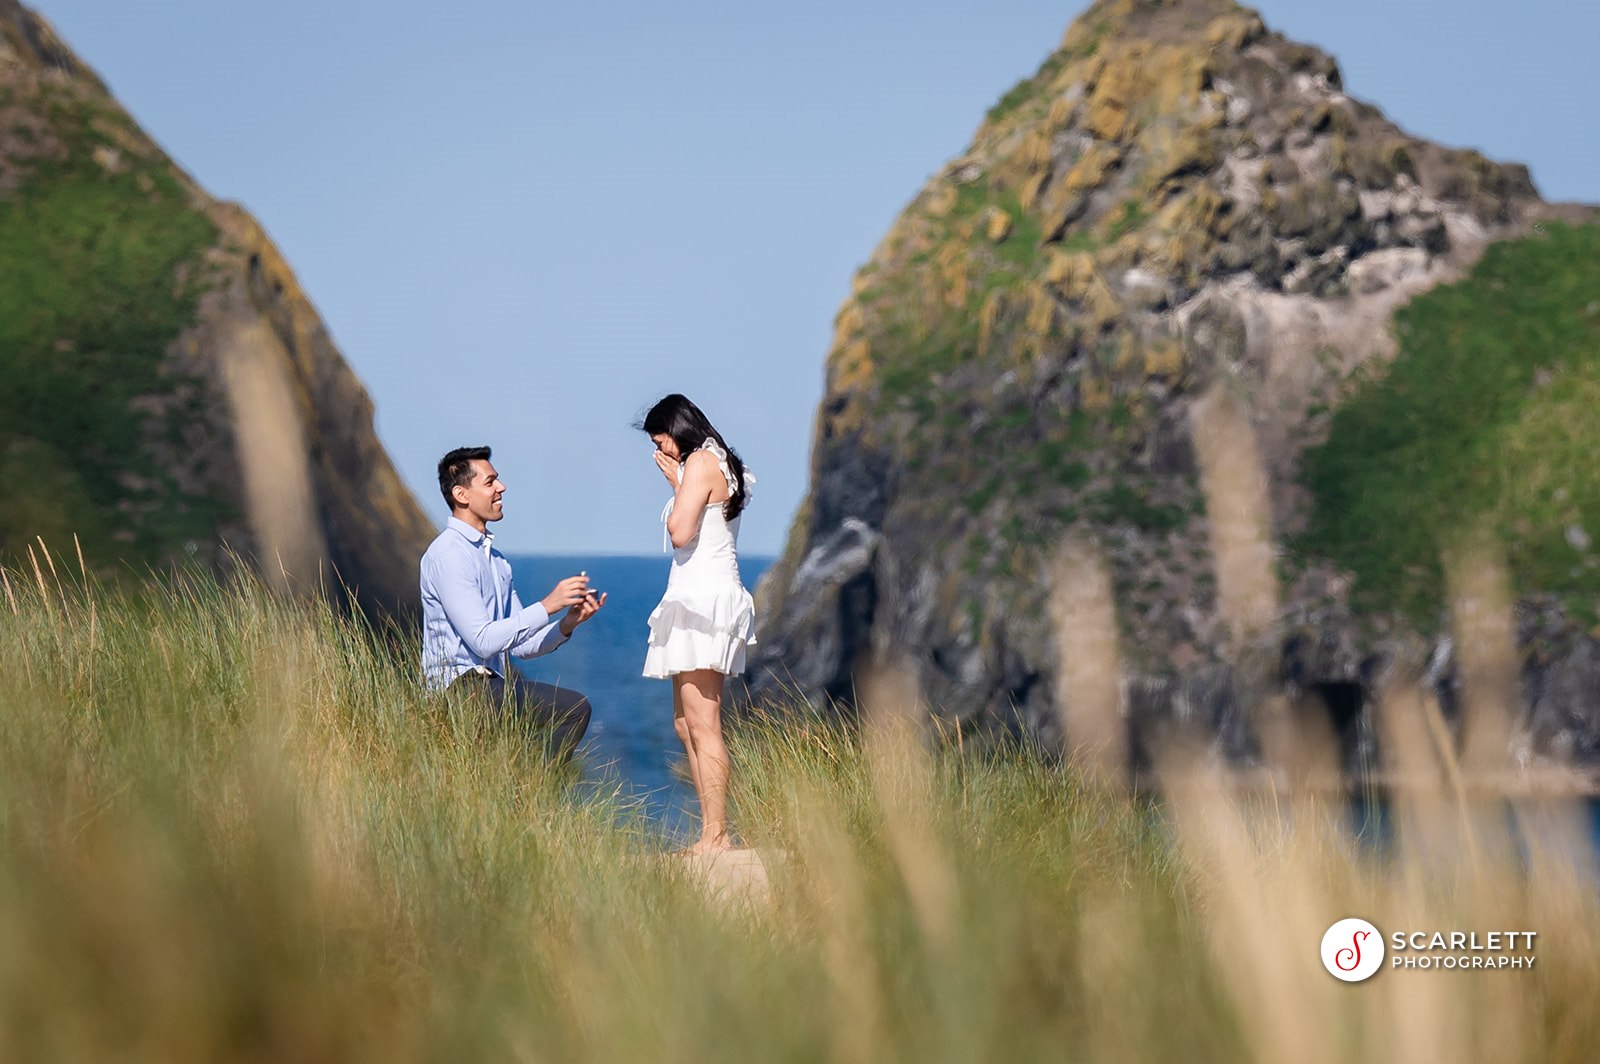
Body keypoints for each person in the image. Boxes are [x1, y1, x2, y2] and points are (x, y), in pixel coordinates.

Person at [420, 445, 605, 762]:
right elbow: (483, 641)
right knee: (575, 709)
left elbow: (522, 645)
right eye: (490, 482)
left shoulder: (497, 561)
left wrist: (567, 623)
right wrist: (548, 604)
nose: (501, 487)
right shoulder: (449, 554)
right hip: (458, 693)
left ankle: (529, 793)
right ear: (462, 495)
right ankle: (535, 792)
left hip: (488, 690)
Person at [640, 394, 757, 854]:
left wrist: (676, 483)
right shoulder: (711, 462)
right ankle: (710, 829)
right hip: (697, 597)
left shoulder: (704, 461)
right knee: (686, 724)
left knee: (703, 722)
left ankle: (717, 834)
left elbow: (681, 532)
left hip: (704, 600)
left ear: (677, 430)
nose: (660, 452)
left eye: (660, 440)